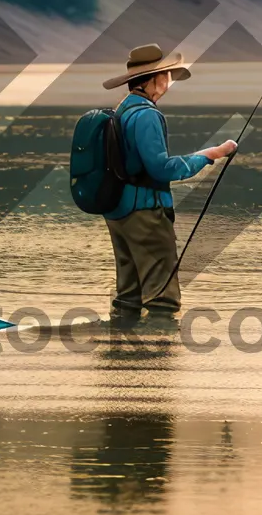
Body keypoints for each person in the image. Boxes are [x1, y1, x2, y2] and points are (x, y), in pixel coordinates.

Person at [101, 43, 237, 320]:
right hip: (145, 213)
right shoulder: (147, 115)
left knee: (129, 295)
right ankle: (159, 356)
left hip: (117, 211)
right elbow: (161, 169)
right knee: (162, 298)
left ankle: (120, 350)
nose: (168, 82)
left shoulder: (121, 110)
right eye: (166, 76)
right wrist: (209, 155)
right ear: (155, 80)